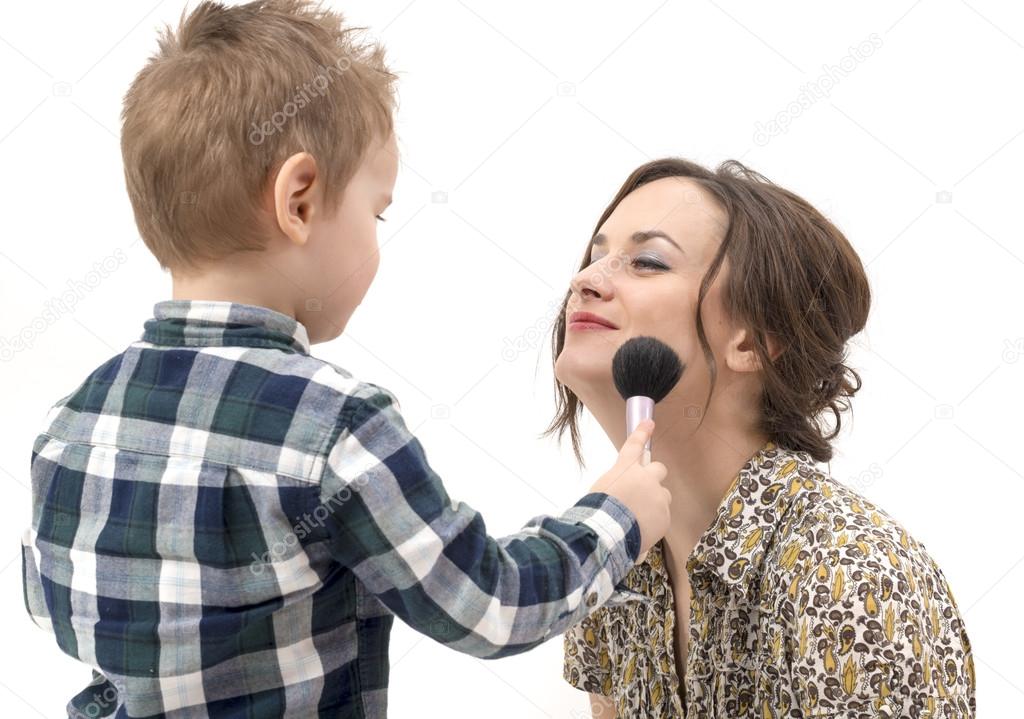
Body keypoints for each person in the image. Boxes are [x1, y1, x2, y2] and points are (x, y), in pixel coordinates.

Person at [18, 3, 672, 717]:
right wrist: (617, 517)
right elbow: (490, 603)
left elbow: (63, 622)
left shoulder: (72, 419)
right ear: (299, 200)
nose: (378, 237)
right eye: (376, 211)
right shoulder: (334, 426)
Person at [554, 158, 976, 718]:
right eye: (595, 256)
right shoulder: (609, 555)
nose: (585, 280)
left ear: (752, 342)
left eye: (648, 261)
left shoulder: (849, 576)